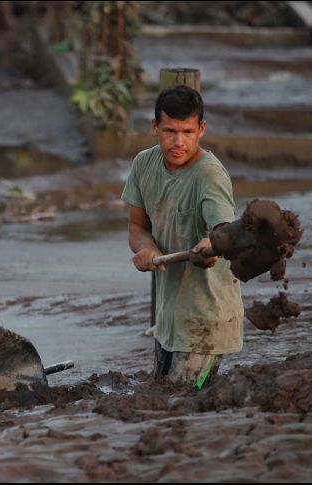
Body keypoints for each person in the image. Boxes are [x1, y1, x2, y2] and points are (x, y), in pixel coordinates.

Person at [120, 85, 243, 388]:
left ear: (201, 129)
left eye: (187, 132)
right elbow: (137, 227)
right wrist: (146, 249)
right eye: (170, 131)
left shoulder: (210, 176)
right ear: (154, 127)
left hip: (207, 321)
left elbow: (224, 235)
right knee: (162, 399)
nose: (178, 142)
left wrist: (211, 247)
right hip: (167, 317)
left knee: (185, 402)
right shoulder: (143, 164)